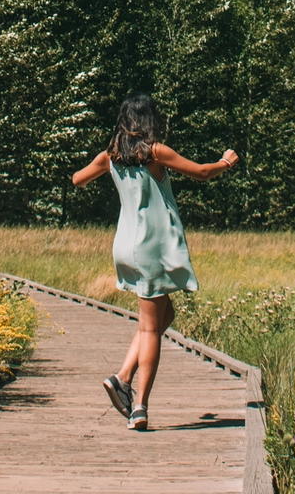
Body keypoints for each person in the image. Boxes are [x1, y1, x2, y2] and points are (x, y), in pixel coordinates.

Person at [71, 93, 238, 431]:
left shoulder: (110, 157)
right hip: (151, 249)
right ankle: (139, 405)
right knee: (150, 328)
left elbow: (77, 179)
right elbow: (202, 173)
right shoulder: (155, 153)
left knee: (164, 315)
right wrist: (226, 162)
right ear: (148, 121)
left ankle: (123, 377)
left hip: (125, 246)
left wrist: (101, 168)